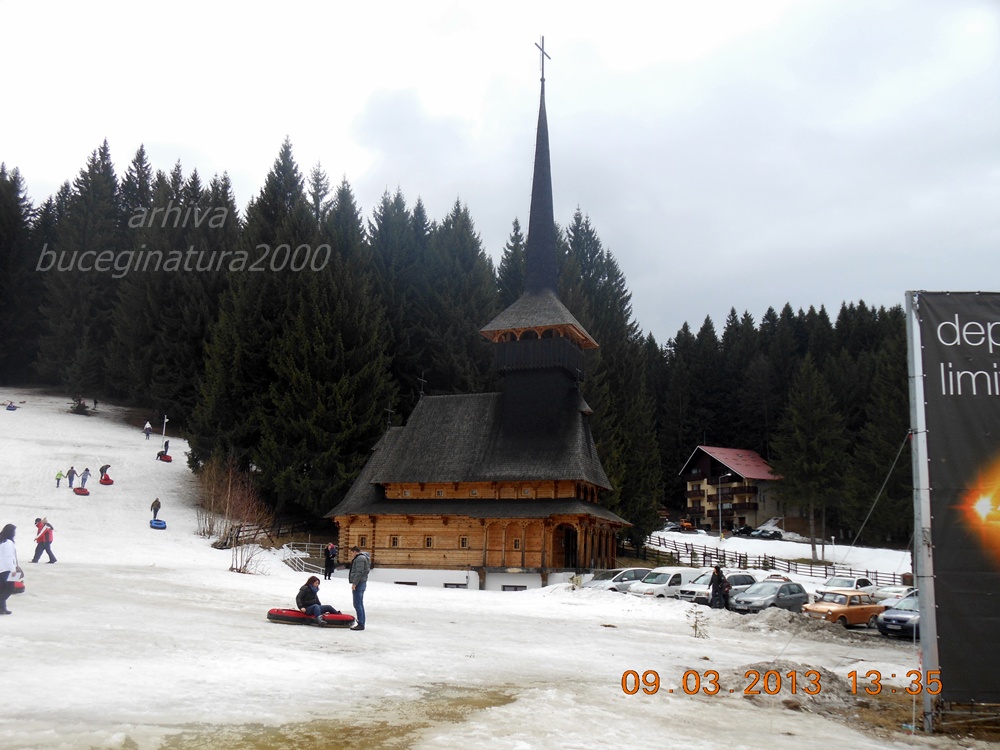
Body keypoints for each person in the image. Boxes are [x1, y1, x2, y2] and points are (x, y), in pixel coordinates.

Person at [348, 545, 370, 631]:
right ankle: (361, 622)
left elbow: (359, 572)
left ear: (354, 551)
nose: (351, 555)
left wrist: (355, 583)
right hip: (361, 583)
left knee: (357, 604)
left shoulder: (360, 559)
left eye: (351, 553)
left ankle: (361, 623)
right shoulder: (363, 558)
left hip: (359, 583)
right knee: (359, 603)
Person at [0, 524, 21, 615]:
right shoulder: (8, 542)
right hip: (7, 569)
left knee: (2, 589)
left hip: (2, 569)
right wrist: (13, 569)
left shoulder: (2, 541)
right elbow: (9, 557)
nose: (15, 533)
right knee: (9, 588)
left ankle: (2, 608)